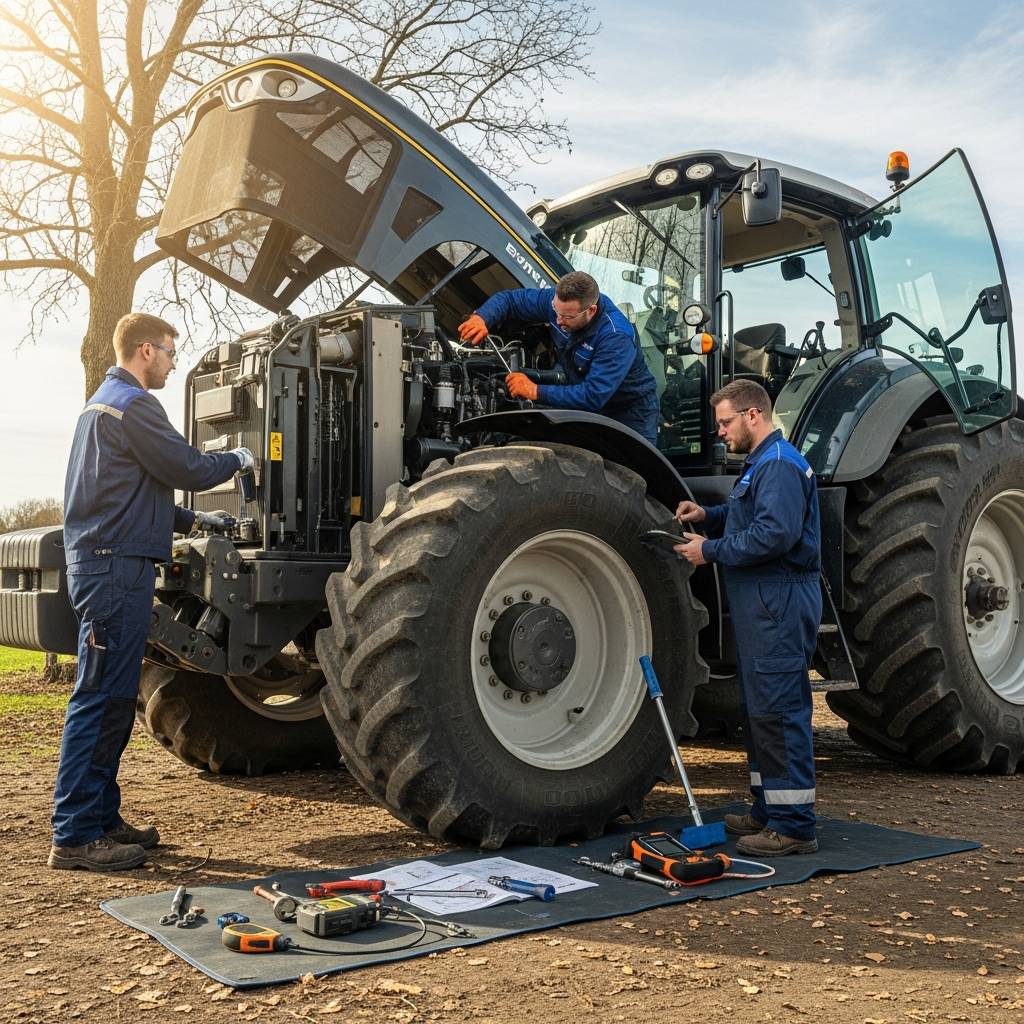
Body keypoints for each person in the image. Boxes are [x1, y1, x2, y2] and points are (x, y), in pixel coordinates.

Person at [49, 312, 253, 871]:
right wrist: (239, 459)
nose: (171, 360)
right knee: (99, 701)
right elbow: (184, 465)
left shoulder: (103, 403)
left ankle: (101, 819)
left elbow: (134, 487)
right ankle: (73, 835)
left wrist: (193, 521)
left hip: (111, 564)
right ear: (144, 349)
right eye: (168, 350)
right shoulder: (135, 404)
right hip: (115, 570)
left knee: (115, 701)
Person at [673, 380, 821, 857]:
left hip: (777, 600)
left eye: (725, 422)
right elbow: (751, 518)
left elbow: (774, 535)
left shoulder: (778, 465)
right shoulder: (762, 464)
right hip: (764, 601)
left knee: (779, 713)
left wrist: (708, 550)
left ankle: (794, 825)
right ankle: (767, 811)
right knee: (760, 712)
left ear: (753, 415)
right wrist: (709, 516)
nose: (720, 432)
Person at [458, 271, 660, 444]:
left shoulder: (615, 336)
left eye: (567, 317)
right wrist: (482, 317)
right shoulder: (559, 305)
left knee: (632, 478)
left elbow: (593, 395)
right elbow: (511, 300)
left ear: (591, 311)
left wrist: (533, 390)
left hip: (629, 414)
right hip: (581, 394)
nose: (558, 320)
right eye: (556, 311)